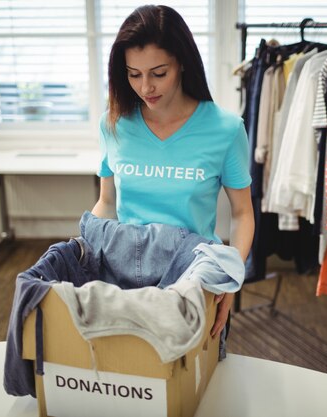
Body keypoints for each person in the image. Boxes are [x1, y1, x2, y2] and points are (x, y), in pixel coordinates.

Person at [91, 4, 254, 339]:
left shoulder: (224, 129)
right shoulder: (114, 122)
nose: (145, 87)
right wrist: (84, 257)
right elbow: (106, 204)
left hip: (194, 281)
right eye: (133, 74)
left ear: (181, 62)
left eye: (158, 73)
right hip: (127, 281)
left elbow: (242, 213)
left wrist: (231, 279)